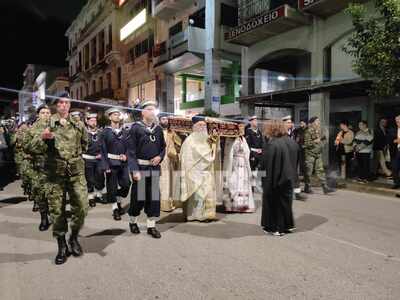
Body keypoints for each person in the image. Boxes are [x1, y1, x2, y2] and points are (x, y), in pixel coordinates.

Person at [29, 91, 89, 265]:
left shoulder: (77, 123)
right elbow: (29, 145)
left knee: (82, 208)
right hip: (55, 173)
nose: (64, 105)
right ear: (56, 105)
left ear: (70, 105)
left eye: (67, 103)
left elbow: (85, 143)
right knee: (57, 210)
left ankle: (74, 237)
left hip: (76, 173)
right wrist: (43, 138)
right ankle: (62, 245)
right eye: (60, 103)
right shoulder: (45, 122)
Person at [126, 101, 165, 238]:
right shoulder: (135, 128)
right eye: (149, 109)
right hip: (141, 169)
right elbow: (130, 152)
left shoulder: (158, 129)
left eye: (154, 109)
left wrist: (160, 157)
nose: (152, 111)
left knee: (154, 199)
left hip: (154, 169)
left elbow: (163, 148)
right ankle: (133, 221)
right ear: (143, 112)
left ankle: (151, 226)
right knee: (139, 198)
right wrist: (134, 170)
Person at [180, 115, 219, 222]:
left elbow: (211, 152)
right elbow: (187, 159)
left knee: (205, 194)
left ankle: (204, 215)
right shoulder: (190, 140)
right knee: (197, 196)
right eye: (200, 125)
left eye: (204, 125)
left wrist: (215, 142)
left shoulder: (206, 139)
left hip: (205, 172)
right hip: (194, 173)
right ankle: (193, 215)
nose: (202, 127)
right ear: (194, 126)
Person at [260, 120, 296, 236]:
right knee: (284, 204)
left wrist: (264, 182)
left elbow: (267, 165)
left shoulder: (271, 144)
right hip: (287, 177)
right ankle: (285, 227)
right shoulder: (285, 143)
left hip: (275, 179)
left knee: (273, 204)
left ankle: (274, 228)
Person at [23, 104, 52, 231]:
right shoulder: (32, 129)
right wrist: (41, 138)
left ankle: (55, 215)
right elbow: (26, 146)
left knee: (56, 193)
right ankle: (44, 217)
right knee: (41, 194)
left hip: (55, 166)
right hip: (39, 167)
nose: (46, 114)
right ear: (38, 115)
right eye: (43, 112)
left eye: (47, 112)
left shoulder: (57, 127)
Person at [101, 108, 131, 221]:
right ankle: (115, 208)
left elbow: (130, 147)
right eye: (114, 114)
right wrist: (105, 166)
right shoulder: (105, 132)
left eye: (118, 114)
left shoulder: (125, 132)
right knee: (112, 187)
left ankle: (117, 198)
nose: (117, 116)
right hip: (111, 163)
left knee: (126, 184)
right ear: (109, 117)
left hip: (123, 163)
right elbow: (102, 150)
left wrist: (126, 155)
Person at [223, 135, 255, 213]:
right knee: (234, 182)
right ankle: (233, 205)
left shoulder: (243, 139)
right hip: (235, 162)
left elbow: (247, 151)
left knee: (244, 183)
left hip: (243, 163)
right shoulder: (231, 139)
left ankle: (243, 205)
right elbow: (229, 152)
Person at [303, 116, 335, 194]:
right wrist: (315, 141)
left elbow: (322, 140)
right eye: (317, 121)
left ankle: (325, 187)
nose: (318, 122)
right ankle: (307, 187)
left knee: (320, 170)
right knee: (308, 171)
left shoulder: (319, 131)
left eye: (319, 121)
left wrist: (321, 143)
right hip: (310, 154)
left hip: (318, 154)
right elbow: (307, 144)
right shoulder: (308, 131)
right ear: (313, 122)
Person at [158, 113, 182, 212]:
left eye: (167, 119)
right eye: (163, 119)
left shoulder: (172, 132)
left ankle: (171, 201)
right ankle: (164, 204)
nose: (165, 121)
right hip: (160, 160)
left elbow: (179, 143)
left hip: (171, 160)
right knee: (163, 182)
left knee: (171, 181)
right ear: (159, 120)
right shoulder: (156, 131)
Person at [83, 113, 105, 207]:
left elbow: (104, 145)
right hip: (87, 159)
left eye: (95, 120)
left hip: (99, 159)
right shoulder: (83, 133)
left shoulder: (100, 132)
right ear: (87, 122)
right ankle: (91, 196)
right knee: (90, 179)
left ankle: (99, 194)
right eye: (91, 120)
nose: (94, 122)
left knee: (100, 177)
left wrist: (102, 154)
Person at [283, 116, 307, 201]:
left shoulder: (294, 131)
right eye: (288, 122)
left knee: (294, 172)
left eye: (291, 122)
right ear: (284, 123)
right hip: (285, 154)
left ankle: (297, 193)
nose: (291, 124)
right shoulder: (282, 133)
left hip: (294, 154)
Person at [245, 116, 263, 191]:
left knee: (258, 170)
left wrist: (262, 149)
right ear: (251, 122)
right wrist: (252, 152)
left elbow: (262, 141)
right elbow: (247, 144)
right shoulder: (248, 131)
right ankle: (251, 185)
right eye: (255, 121)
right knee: (252, 169)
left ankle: (257, 184)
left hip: (259, 153)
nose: (256, 122)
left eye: (256, 120)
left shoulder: (258, 131)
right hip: (252, 153)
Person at [389, 115, 400, 189]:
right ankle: (396, 183)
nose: (398, 122)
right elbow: (389, 140)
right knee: (395, 168)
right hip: (396, 151)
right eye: (396, 121)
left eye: (399, 121)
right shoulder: (392, 129)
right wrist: (396, 141)